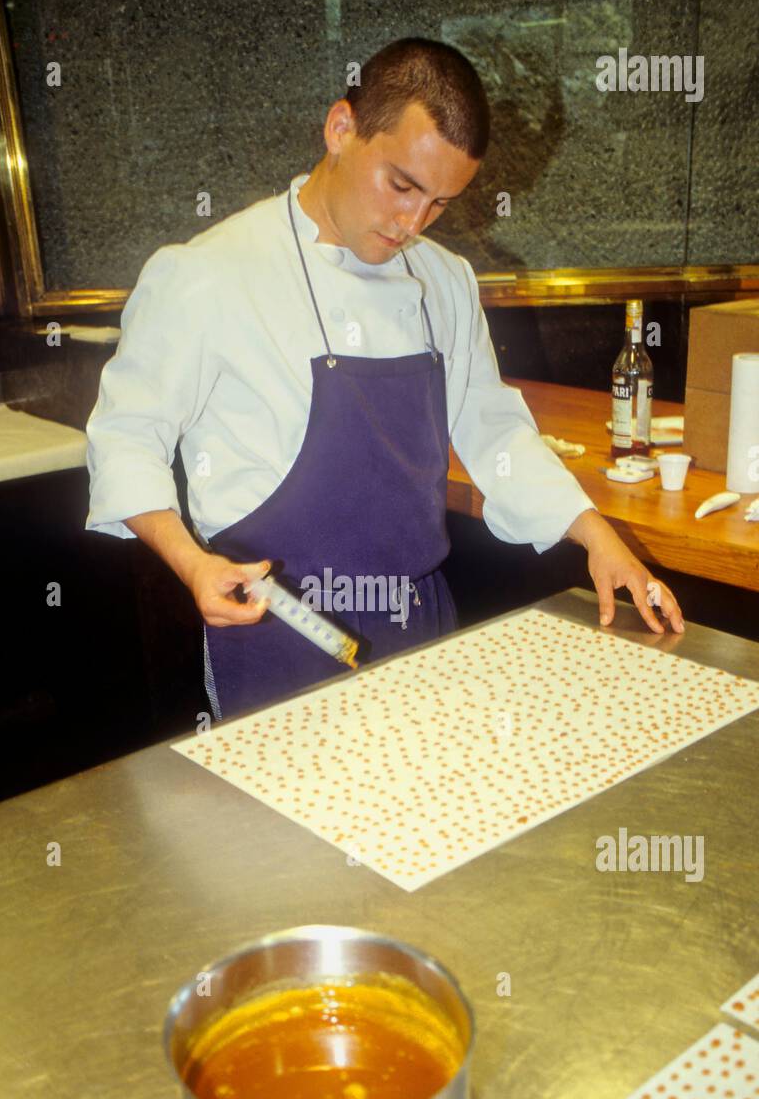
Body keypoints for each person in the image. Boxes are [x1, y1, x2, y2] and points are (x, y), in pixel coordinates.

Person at [86, 37, 684, 722]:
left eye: (439, 203)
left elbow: (493, 431)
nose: (412, 222)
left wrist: (596, 537)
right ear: (342, 128)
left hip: (420, 623)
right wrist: (192, 563)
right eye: (402, 185)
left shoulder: (444, 280)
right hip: (279, 629)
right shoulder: (210, 274)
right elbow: (127, 437)